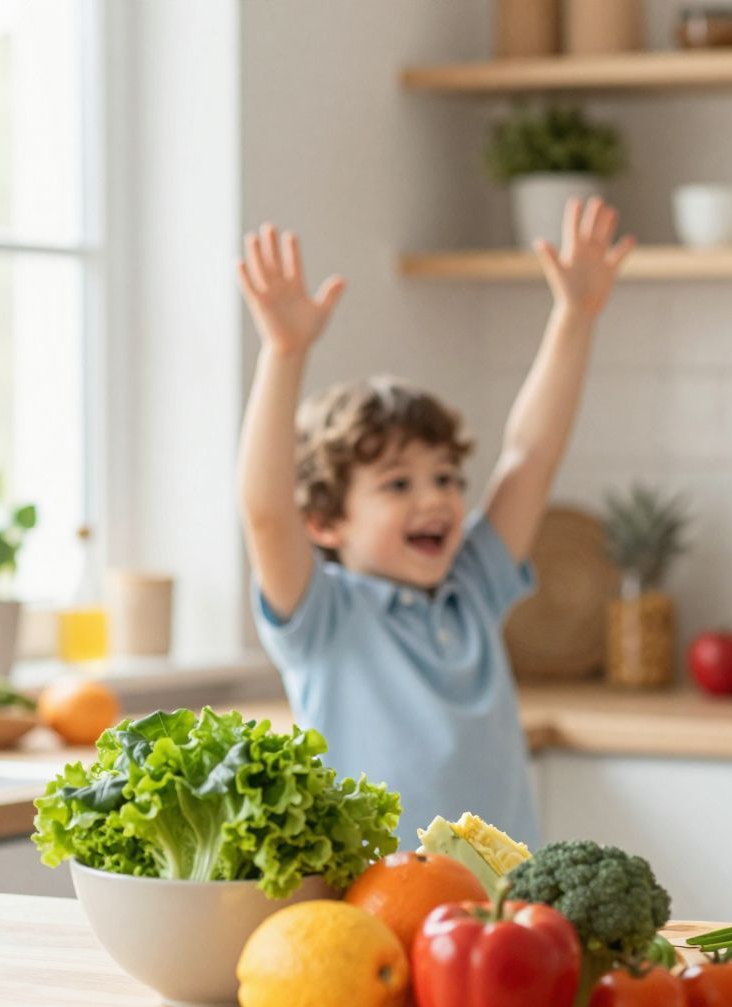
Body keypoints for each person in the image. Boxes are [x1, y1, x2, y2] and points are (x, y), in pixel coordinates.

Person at [235, 197, 634, 844]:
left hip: (502, 906)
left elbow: (530, 456)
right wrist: (283, 353)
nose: (437, 499)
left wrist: (575, 317)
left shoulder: (471, 586)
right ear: (325, 523)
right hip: (377, 907)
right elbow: (265, 513)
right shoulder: (324, 618)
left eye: (446, 477)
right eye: (398, 484)